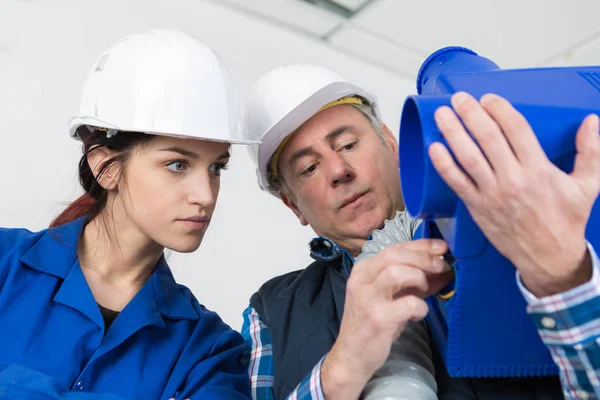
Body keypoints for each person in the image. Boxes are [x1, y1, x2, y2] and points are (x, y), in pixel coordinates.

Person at [239, 63, 600, 400]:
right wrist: (340, 368)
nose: (338, 170)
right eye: (309, 167)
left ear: (392, 144)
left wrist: (563, 280)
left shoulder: (539, 233)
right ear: (293, 205)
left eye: (348, 144)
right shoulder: (270, 312)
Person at [0, 29, 257, 400]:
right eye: (177, 164)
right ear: (106, 168)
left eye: (217, 168)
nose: (205, 195)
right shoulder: (5, 263)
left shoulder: (210, 351)